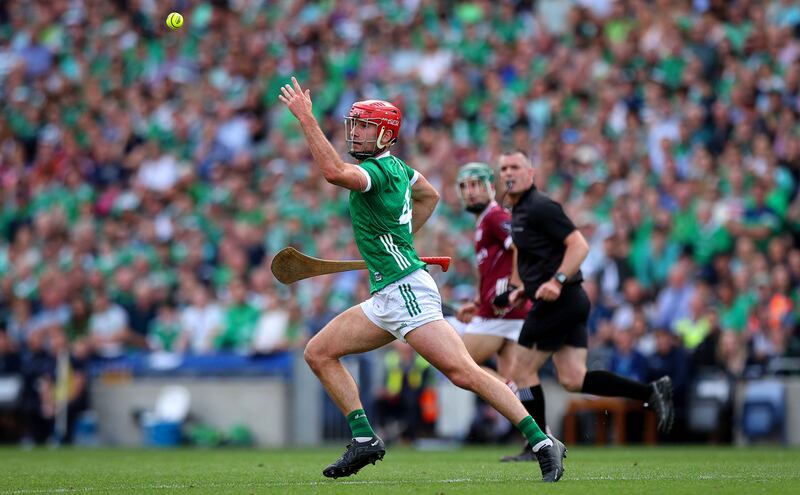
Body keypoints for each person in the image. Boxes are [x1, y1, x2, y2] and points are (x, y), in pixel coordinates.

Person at [279, 78, 565, 482]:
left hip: (407, 292)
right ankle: (364, 439)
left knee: (464, 373)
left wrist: (307, 119)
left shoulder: (377, 171)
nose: (355, 132)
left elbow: (332, 172)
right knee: (319, 353)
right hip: (386, 295)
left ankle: (542, 442)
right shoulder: (400, 169)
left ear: (385, 135)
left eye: (365, 126)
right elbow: (429, 194)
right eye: (354, 124)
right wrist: (403, 240)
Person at [496, 149, 675, 450]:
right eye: (504, 169)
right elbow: (544, 259)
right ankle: (650, 391)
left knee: (521, 372)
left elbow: (579, 245)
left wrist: (557, 281)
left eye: (515, 167)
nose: (509, 173)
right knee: (573, 378)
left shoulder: (540, 206)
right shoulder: (520, 211)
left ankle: (540, 447)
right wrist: (524, 290)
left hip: (560, 300)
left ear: (531, 174)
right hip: (570, 299)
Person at [453, 162, 542, 459]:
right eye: (464, 186)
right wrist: (478, 302)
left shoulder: (494, 216)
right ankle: (540, 441)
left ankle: (506, 388)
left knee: (457, 362)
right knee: (518, 378)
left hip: (501, 314)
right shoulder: (484, 221)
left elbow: (520, 245)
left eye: (476, 184)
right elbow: (495, 270)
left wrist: (515, 286)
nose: (470, 192)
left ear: (491, 187)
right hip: (502, 311)